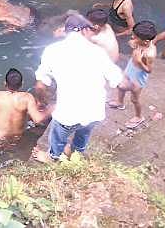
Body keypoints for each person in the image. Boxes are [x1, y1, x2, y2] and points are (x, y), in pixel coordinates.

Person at [30, 14, 124, 163]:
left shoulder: (52, 50)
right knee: (84, 133)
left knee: (58, 135)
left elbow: (41, 85)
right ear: (84, 31)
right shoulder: (98, 52)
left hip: (68, 114)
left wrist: (43, 101)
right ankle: (77, 153)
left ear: (65, 31)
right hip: (95, 111)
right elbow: (117, 80)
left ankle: (52, 157)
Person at [0, 69, 53, 149]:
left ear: (5, 83)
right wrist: (51, 108)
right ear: (22, 84)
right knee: (31, 119)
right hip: (17, 141)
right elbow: (37, 119)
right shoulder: (27, 97)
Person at [108, 21, 157, 129]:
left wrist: (139, 62)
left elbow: (149, 70)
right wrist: (135, 44)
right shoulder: (142, 43)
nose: (132, 36)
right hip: (130, 68)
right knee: (120, 86)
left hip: (137, 78)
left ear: (146, 41)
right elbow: (135, 45)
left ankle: (139, 117)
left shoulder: (149, 54)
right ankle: (120, 102)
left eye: (135, 36)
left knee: (135, 100)